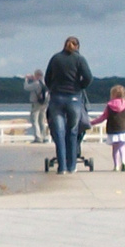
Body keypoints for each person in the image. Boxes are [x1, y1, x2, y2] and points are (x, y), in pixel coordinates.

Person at [44, 36, 91, 173]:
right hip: (74, 98)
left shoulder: (55, 58)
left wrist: (54, 88)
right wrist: (79, 86)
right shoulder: (79, 59)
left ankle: (62, 167)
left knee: (59, 133)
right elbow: (88, 77)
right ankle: (72, 166)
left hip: (57, 98)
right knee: (72, 131)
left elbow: (47, 78)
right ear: (78, 47)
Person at [87, 84, 125, 171]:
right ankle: (124, 162)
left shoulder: (109, 106)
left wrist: (91, 122)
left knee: (115, 149)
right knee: (122, 147)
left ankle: (116, 165)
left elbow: (102, 118)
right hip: (123, 130)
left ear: (112, 95)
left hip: (113, 130)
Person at [24, 71, 49, 143]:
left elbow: (26, 87)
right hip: (44, 104)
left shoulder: (36, 83)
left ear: (37, 76)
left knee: (34, 120)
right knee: (42, 121)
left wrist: (26, 80)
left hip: (36, 104)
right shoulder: (45, 83)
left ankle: (38, 137)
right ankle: (44, 137)